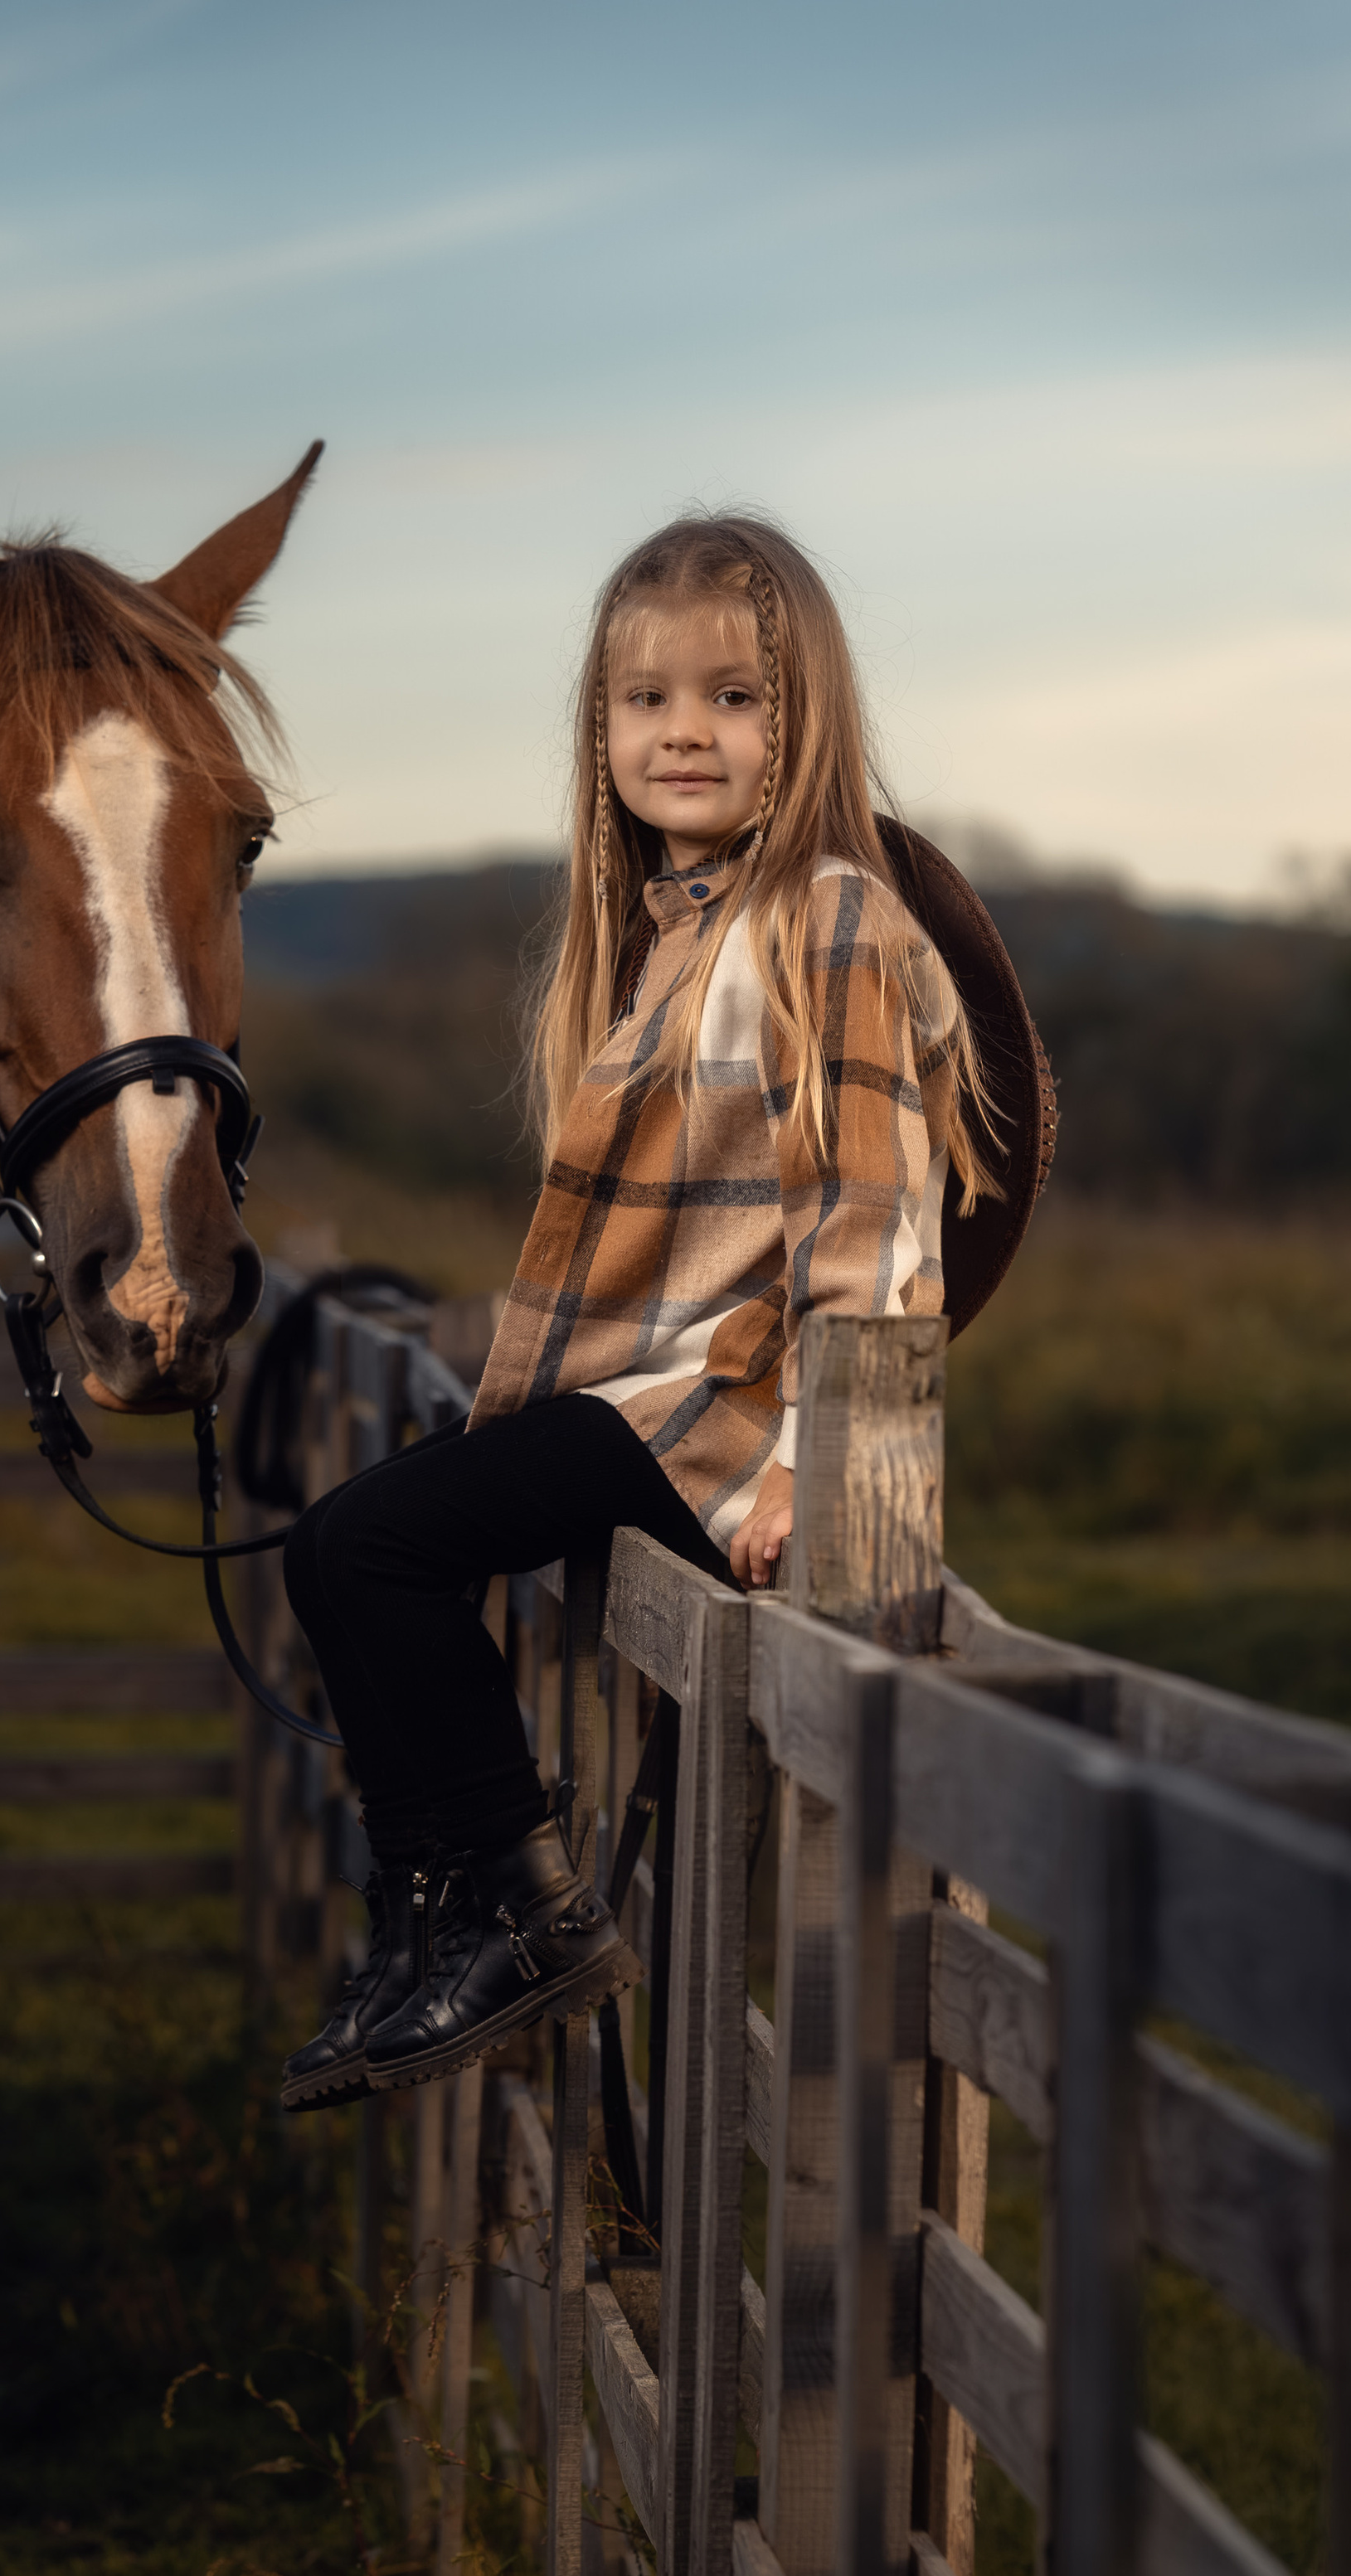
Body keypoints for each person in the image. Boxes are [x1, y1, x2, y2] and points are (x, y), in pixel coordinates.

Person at [278, 514, 1004, 2111]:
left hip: (713, 1416)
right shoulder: (655, 940)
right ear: (597, 732)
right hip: (637, 1400)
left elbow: (876, 1222)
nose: (686, 732)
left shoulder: (832, 920)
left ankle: (518, 1912)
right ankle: (430, 1923)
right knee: (341, 1551)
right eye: (646, 702)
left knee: (366, 1547)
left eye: (737, 699)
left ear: (804, 724)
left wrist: (816, 1462)